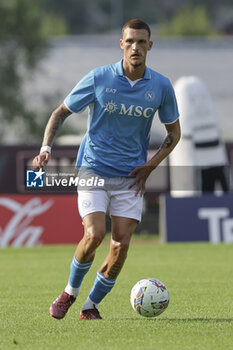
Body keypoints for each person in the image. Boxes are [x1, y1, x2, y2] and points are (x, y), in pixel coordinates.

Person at [33, 19, 181, 320]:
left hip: (130, 176)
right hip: (94, 167)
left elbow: (174, 133)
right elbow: (60, 112)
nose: (136, 47)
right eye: (130, 41)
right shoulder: (100, 78)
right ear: (122, 44)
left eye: (141, 42)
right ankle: (69, 294)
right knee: (95, 234)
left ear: (149, 46)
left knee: (121, 246)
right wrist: (46, 148)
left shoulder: (161, 86)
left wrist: (150, 167)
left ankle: (90, 306)